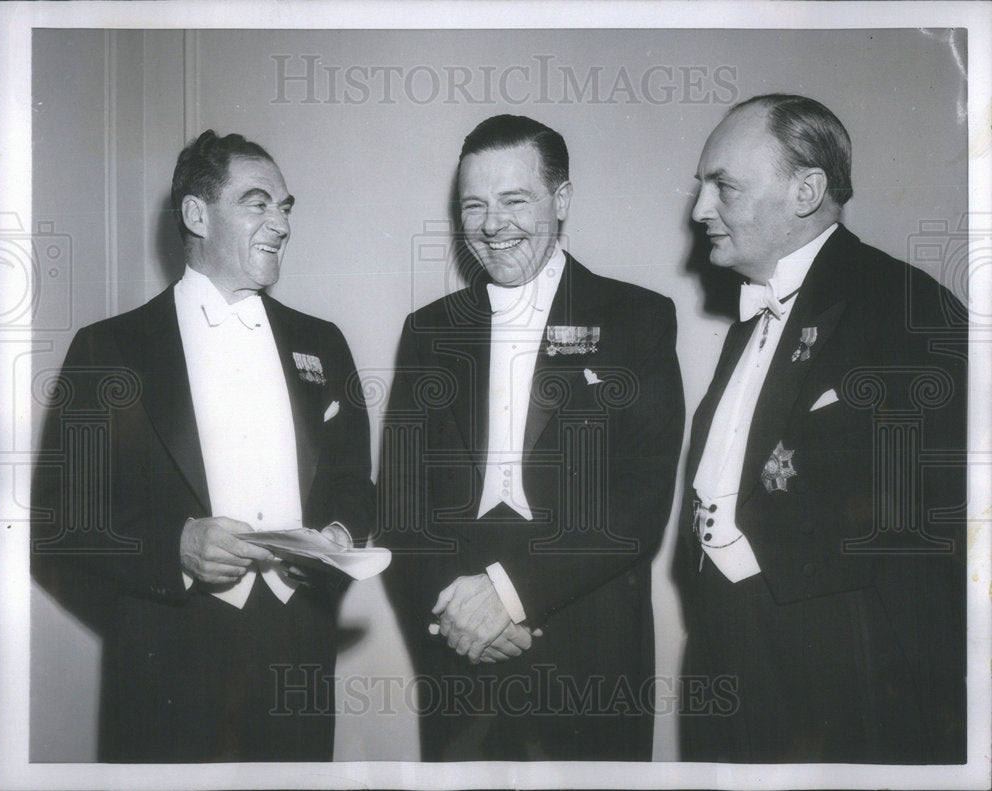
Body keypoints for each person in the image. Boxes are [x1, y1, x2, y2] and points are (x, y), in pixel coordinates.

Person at [31, 130, 375, 762]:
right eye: (257, 203)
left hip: (298, 649)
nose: (281, 224)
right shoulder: (110, 348)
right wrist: (175, 545)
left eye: (285, 207)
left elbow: (355, 481)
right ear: (196, 213)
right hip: (166, 656)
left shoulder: (324, 343)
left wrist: (337, 536)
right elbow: (59, 518)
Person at [378, 114, 685, 761]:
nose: (493, 225)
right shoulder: (428, 331)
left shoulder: (638, 318)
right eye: (474, 205)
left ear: (561, 199)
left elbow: (642, 498)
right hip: (463, 654)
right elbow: (401, 503)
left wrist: (509, 592)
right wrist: (456, 615)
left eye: (514, 200)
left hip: (590, 653)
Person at [674, 94, 967, 763]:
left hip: (838, 672)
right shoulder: (754, 316)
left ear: (806, 190)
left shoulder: (907, 307)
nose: (699, 210)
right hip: (727, 650)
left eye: (724, 186)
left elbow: (933, 535)